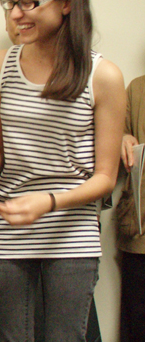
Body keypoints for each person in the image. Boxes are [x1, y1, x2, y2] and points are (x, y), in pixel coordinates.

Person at [0, 0, 125, 341]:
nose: (16, 14)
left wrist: (49, 201)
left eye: (28, 2)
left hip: (72, 232)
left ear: (68, 2)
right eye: (11, 2)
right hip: (9, 229)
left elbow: (105, 177)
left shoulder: (103, 76)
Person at [117, 74, 145, 342]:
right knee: (138, 324)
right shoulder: (137, 88)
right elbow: (114, 134)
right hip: (140, 232)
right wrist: (123, 138)